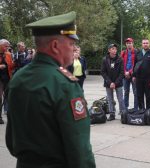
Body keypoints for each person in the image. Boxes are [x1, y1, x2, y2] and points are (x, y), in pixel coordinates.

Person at [5, 12, 96, 167]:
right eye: (71, 44)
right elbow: (79, 147)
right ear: (55, 46)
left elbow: (11, 140)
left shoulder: (18, 78)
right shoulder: (64, 84)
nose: (73, 49)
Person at [101, 43, 126, 121]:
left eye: (115, 49)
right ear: (109, 50)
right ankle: (112, 114)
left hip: (118, 83)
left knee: (120, 99)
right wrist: (110, 82)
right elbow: (103, 72)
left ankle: (123, 113)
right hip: (108, 83)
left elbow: (122, 73)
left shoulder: (120, 59)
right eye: (112, 49)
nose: (114, 50)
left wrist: (115, 83)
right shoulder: (105, 59)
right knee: (110, 99)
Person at [132, 38, 150, 109]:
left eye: (146, 43)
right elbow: (135, 65)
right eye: (144, 43)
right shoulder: (138, 53)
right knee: (139, 96)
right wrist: (134, 75)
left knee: (148, 97)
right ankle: (141, 112)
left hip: (149, 79)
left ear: (149, 44)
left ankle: (148, 112)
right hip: (139, 78)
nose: (145, 44)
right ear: (142, 44)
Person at [121, 37, 138, 110]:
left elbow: (137, 64)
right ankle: (125, 108)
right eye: (127, 43)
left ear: (132, 43)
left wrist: (130, 72)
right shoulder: (123, 52)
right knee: (126, 91)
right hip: (125, 75)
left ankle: (136, 108)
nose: (128, 45)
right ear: (126, 44)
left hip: (133, 75)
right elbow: (121, 64)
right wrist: (125, 72)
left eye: (130, 43)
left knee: (135, 92)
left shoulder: (137, 52)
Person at [0, 39, 11, 124]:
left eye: (7, 46)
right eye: (5, 46)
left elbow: (10, 65)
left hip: (7, 78)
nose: (7, 48)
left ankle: (11, 116)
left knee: (9, 97)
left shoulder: (8, 54)